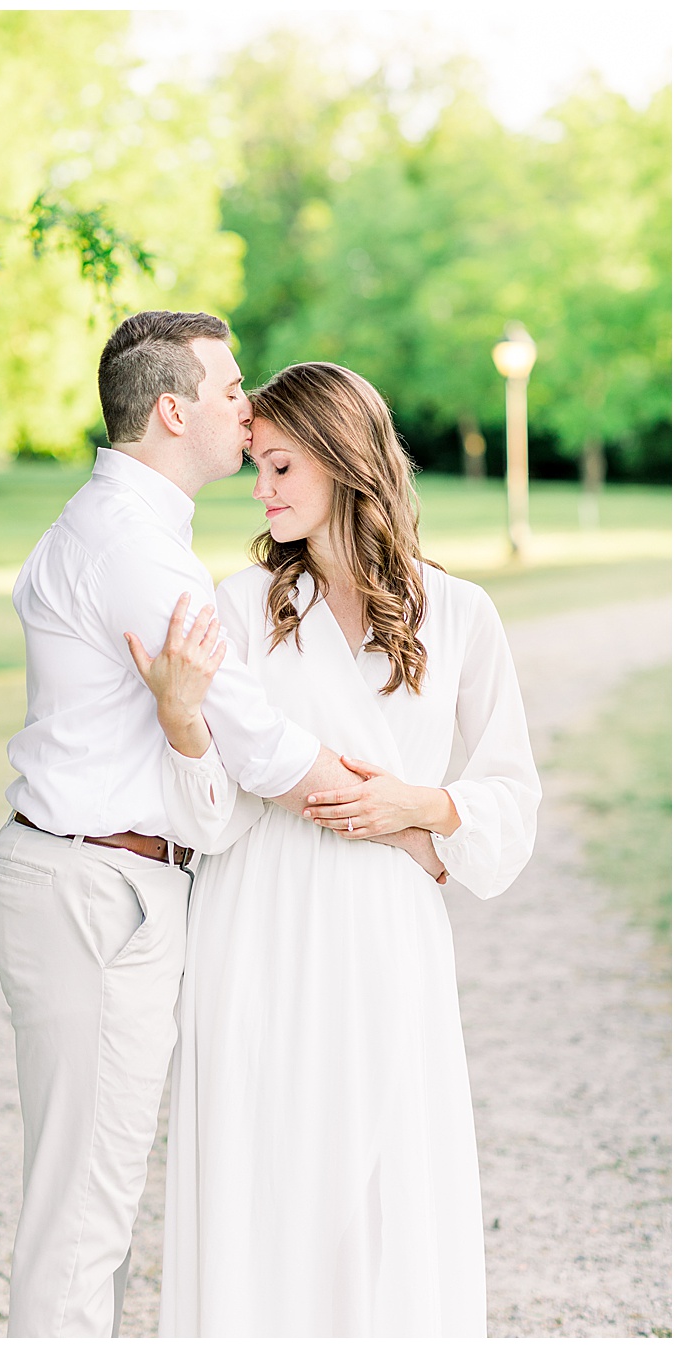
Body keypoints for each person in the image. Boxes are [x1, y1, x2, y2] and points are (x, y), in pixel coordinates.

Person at [0, 312, 445, 1338]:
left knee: (90, 1207)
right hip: (95, 888)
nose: (247, 405)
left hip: (94, 879)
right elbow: (259, 745)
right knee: (83, 1218)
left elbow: (214, 748)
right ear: (174, 410)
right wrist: (404, 819)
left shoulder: (132, 532)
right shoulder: (134, 551)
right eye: (231, 390)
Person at [140, 362, 540, 1335]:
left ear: (343, 461)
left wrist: (420, 805)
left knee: (389, 1181)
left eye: (280, 466)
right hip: (257, 923)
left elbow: (511, 800)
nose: (261, 489)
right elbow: (209, 815)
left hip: (389, 929)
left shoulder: (460, 614)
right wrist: (182, 720)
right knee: (263, 1178)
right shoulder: (239, 607)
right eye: (257, 467)